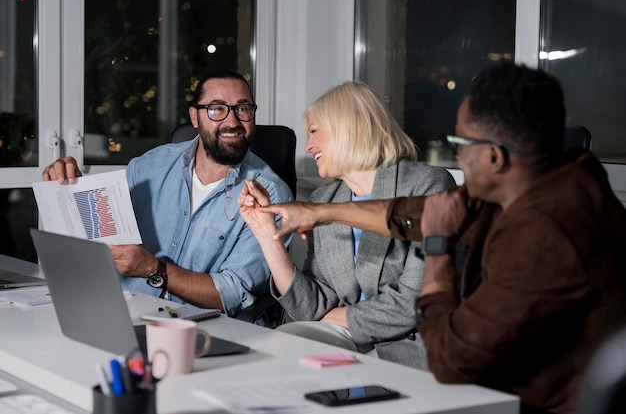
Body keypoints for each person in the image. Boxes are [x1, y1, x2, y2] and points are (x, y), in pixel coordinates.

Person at [251, 62, 626, 413]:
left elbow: (450, 360)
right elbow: (413, 213)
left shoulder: (543, 234)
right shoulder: (538, 182)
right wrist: (321, 212)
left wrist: (437, 245)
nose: (455, 159)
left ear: (494, 157)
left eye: (459, 145)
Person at [42, 70, 293, 322]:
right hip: (121, 312)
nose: (232, 121)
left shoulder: (271, 195)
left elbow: (232, 293)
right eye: (217, 109)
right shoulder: (151, 165)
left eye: (243, 109)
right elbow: (100, 228)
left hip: (204, 328)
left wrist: (154, 269)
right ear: (195, 117)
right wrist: (70, 186)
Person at [239, 81, 456, 369]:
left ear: (347, 127)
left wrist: (342, 317)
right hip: (344, 337)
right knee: (281, 350)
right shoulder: (324, 198)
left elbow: (418, 300)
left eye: (314, 131)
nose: (308, 146)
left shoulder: (426, 185)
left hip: (412, 343)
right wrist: (267, 233)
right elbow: (311, 306)